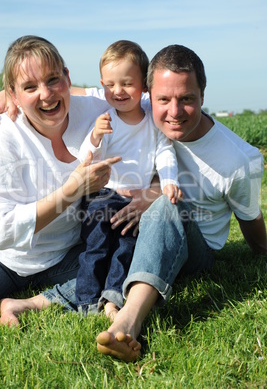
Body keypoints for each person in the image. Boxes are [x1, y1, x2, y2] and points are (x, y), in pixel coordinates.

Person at [1, 44, 266, 363]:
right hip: (139, 231)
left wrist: (155, 191)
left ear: (202, 97)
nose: (175, 111)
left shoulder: (240, 160)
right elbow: (101, 87)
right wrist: (10, 95)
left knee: (168, 203)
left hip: (195, 249)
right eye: (163, 99)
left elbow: (253, 226)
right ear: (148, 96)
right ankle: (28, 303)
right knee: (108, 256)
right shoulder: (137, 114)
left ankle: (128, 319)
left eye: (187, 99)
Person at [0, 35, 121, 300]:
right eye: (30, 87)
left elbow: (151, 106)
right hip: (10, 262)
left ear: (67, 77)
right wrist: (72, 191)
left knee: (123, 255)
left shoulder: (96, 110)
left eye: (53, 79)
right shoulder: (5, 136)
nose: (46, 94)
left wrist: (158, 184)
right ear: (13, 94)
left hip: (68, 256)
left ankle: (34, 302)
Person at [75, 40, 182, 318]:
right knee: (97, 245)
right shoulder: (105, 119)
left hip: (135, 197)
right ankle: (86, 300)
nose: (118, 91)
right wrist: (96, 137)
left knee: (126, 248)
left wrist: (168, 180)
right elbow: (88, 157)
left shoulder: (152, 123)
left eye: (127, 83)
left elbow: (165, 153)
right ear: (102, 84)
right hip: (104, 194)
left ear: (144, 86)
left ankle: (112, 299)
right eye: (110, 85)